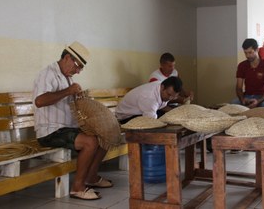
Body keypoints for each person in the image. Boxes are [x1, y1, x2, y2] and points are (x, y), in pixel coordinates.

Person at [33, 41, 111, 201]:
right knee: (90, 142)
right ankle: (78, 188)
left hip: (66, 128)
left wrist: (80, 99)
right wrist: (68, 91)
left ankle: (91, 177)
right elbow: (40, 101)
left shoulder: (66, 77)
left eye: (81, 68)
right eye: (78, 66)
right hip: (50, 131)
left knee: (105, 136)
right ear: (68, 57)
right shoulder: (47, 74)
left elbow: (67, 103)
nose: (78, 71)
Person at [115, 76, 183, 123]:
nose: (170, 98)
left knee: (168, 116)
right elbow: (151, 121)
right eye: (169, 94)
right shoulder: (149, 97)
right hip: (126, 117)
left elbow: (160, 105)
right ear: (162, 87)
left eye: (173, 97)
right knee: (161, 124)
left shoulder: (161, 86)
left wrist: (175, 112)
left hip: (140, 111)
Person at [232, 38, 264, 108]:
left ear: (257, 50)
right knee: (232, 104)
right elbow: (238, 87)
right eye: (245, 53)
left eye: (250, 52)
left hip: (262, 98)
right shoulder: (242, 66)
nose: (247, 56)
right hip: (247, 96)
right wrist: (242, 100)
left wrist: (258, 101)